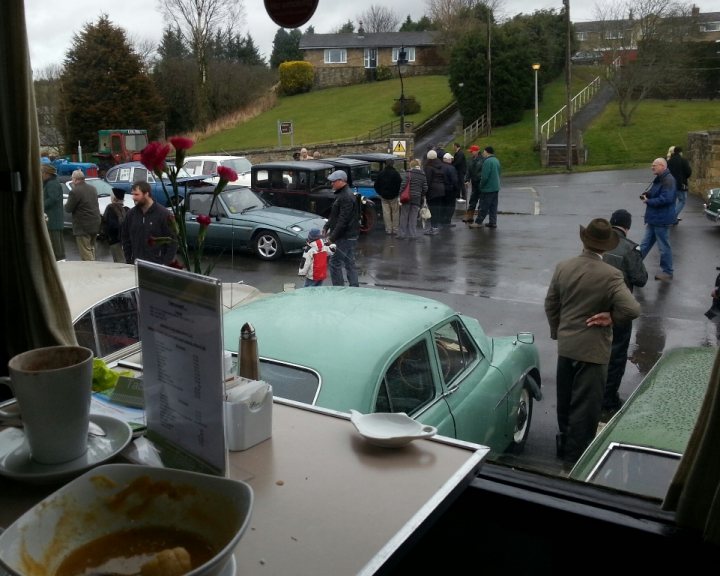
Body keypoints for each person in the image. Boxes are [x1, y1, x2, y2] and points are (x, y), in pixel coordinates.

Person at [545, 218, 640, 466]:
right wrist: (611, 317)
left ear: (584, 240)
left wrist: (558, 332)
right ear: (606, 247)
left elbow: (551, 304)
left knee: (564, 403)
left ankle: (563, 444)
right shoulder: (611, 275)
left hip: (567, 346)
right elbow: (632, 309)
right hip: (593, 352)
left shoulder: (563, 267)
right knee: (585, 411)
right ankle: (574, 462)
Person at [601, 209, 648, 418]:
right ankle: (608, 400)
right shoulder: (630, 248)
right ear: (626, 227)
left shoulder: (597, 242)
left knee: (593, 352)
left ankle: (590, 393)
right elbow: (641, 278)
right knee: (617, 354)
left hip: (593, 305)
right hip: (618, 308)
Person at [121, 180, 178, 265]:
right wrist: (129, 260)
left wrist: (165, 264)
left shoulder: (164, 214)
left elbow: (173, 242)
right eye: (132, 194)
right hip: (136, 264)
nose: (133, 197)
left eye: (136, 194)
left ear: (146, 194)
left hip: (156, 265)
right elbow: (125, 238)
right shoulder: (131, 214)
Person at [640, 157, 677, 281]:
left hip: (661, 219)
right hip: (654, 218)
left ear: (662, 166)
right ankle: (634, 266)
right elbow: (656, 192)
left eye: (654, 165)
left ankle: (668, 272)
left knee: (663, 246)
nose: (652, 167)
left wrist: (648, 201)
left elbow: (667, 198)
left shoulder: (668, 180)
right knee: (645, 244)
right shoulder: (660, 178)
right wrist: (648, 194)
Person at [323, 170, 360, 287]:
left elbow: (343, 221)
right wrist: (327, 225)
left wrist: (332, 238)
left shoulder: (346, 197)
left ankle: (338, 290)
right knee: (349, 262)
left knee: (335, 263)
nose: (331, 184)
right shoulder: (342, 194)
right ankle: (354, 287)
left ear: (341, 181)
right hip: (349, 235)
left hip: (345, 236)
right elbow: (335, 214)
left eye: (333, 181)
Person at [64, 169, 101, 261]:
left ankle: (91, 271)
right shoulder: (93, 188)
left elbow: (68, 208)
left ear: (76, 179)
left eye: (72, 179)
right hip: (95, 222)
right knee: (92, 248)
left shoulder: (75, 191)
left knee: (86, 252)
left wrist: (66, 204)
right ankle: (95, 268)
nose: (72, 181)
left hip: (83, 226)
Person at [470, 146, 501, 229]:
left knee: (484, 206)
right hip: (496, 187)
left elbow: (485, 176)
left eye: (484, 152)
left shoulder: (487, 161)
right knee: (493, 206)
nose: (483, 153)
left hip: (488, 188)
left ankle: (478, 222)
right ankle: (493, 222)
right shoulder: (496, 160)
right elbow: (499, 172)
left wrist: (481, 185)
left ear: (487, 152)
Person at [397, 159, 428, 240]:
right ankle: (412, 234)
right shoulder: (423, 175)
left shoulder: (408, 174)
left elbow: (403, 185)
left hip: (406, 198)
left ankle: (402, 234)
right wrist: (421, 195)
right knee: (413, 216)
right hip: (416, 198)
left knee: (404, 216)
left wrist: (399, 195)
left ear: (411, 165)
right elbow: (425, 188)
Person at [41, 163, 65, 261]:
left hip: (53, 217)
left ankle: (59, 259)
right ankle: (59, 258)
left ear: (47, 173)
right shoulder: (51, 182)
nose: (41, 175)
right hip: (53, 217)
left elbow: (53, 199)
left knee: (55, 240)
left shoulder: (52, 184)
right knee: (56, 239)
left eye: (42, 172)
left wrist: (40, 206)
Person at [374, 158, 402, 235]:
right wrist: (397, 193)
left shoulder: (381, 173)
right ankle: (395, 229)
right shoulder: (396, 173)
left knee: (386, 213)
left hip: (384, 196)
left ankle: (388, 229)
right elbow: (400, 184)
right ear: (393, 164)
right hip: (394, 196)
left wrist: (380, 193)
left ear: (385, 164)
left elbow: (376, 185)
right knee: (395, 213)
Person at [102, 188, 130, 263]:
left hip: (115, 240)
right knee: (125, 260)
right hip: (126, 240)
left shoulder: (110, 208)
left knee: (119, 262)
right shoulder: (127, 209)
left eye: (111, 196)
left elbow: (110, 225)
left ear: (114, 198)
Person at [666, 145, 692, 224]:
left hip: (670, 184)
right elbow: (688, 172)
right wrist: (685, 178)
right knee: (682, 200)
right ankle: (673, 217)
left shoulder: (669, 161)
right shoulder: (683, 160)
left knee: (673, 201)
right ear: (680, 152)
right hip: (681, 184)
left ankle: (673, 217)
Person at [423, 149, 445, 235]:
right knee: (437, 209)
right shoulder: (440, 165)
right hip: (441, 189)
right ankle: (436, 227)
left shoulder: (428, 167)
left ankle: (434, 228)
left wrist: (424, 192)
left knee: (433, 210)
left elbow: (427, 180)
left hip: (433, 191)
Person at [463, 145, 483, 223]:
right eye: (470, 151)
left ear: (477, 151)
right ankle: (469, 216)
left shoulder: (483, 160)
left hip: (481, 183)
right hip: (474, 183)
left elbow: (483, 171)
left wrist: (479, 178)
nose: (471, 153)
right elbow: (468, 171)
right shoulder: (470, 160)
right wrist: (466, 180)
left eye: (472, 151)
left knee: (481, 201)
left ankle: (480, 218)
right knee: (472, 199)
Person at [441, 152, 458, 228]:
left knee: (443, 205)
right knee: (450, 206)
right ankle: (447, 221)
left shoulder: (440, 167)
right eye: (451, 159)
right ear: (448, 159)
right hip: (450, 189)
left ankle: (442, 220)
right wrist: (457, 189)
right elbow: (454, 180)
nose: (452, 160)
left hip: (441, 189)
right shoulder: (451, 168)